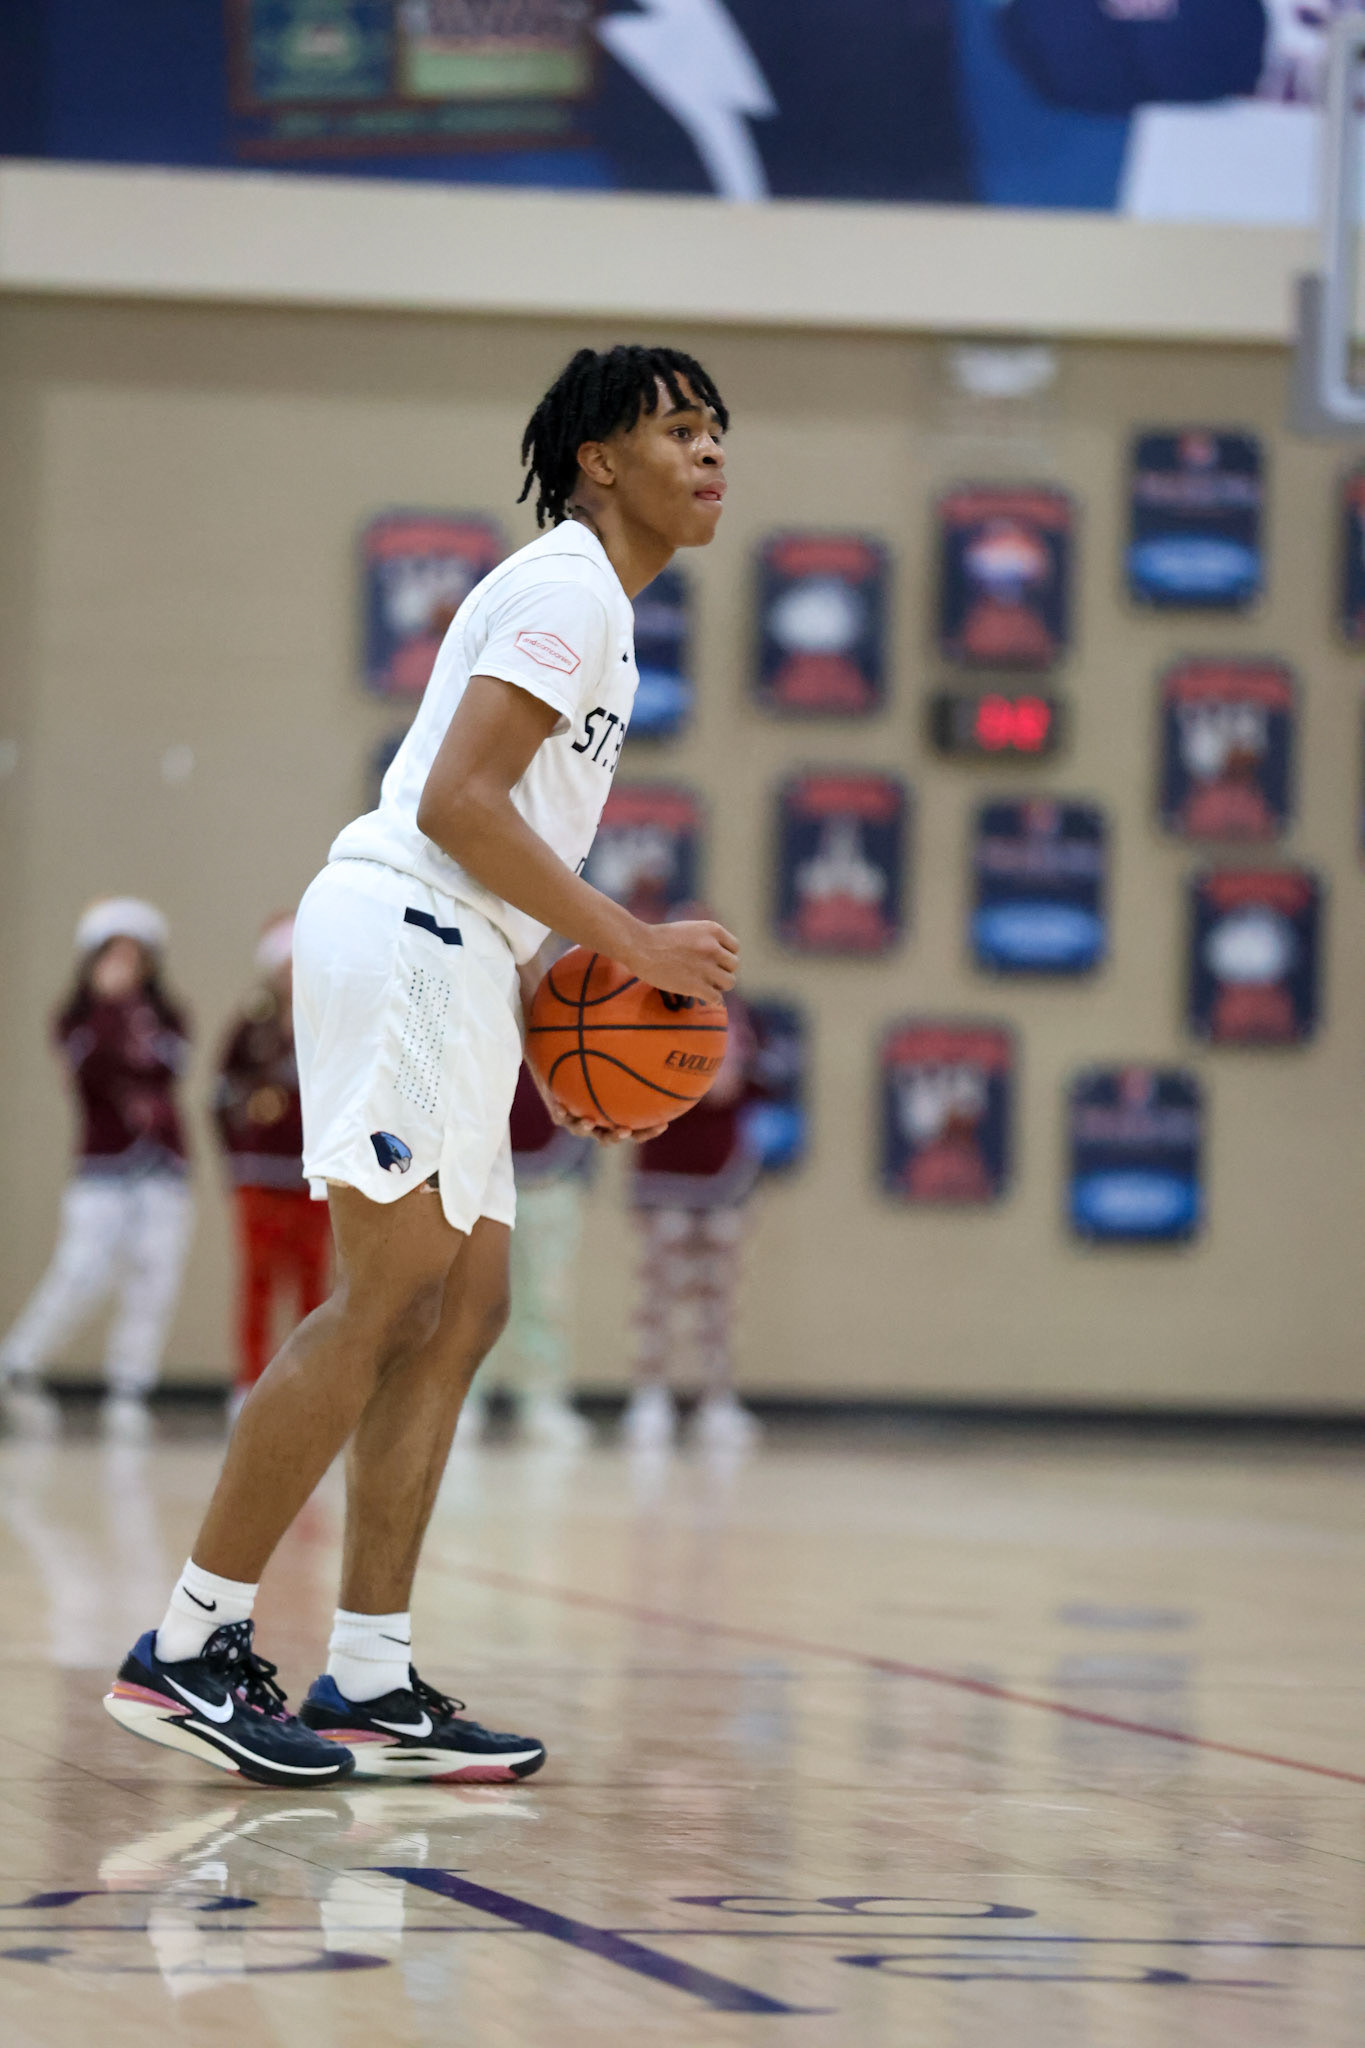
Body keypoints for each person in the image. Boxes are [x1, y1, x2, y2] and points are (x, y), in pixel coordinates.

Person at [103, 343, 739, 1787]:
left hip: (455, 954)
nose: (709, 455)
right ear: (597, 458)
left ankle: (369, 1679)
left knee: (467, 1305)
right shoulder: (569, 587)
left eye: (718, 434)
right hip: (405, 921)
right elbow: (455, 802)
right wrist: (626, 947)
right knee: (392, 1289)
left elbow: (494, 830)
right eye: (679, 429)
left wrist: (546, 1012)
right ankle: (190, 1644)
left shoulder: (606, 614)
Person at [0, 898, 194, 1435]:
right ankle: (19, 1361)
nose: (126, 967)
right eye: (115, 955)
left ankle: (131, 1384)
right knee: (82, 1269)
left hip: (163, 1165)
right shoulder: (74, 1019)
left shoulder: (170, 1016)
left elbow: (165, 1067)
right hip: (102, 1166)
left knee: (155, 1273)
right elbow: (88, 1073)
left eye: (136, 957)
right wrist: (109, 1007)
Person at [623, 974, 763, 1453]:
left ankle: (718, 1401)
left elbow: (731, 1088)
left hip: (720, 1172)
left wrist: (700, 1069)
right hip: (663, 1169)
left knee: (718, 1296)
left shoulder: (735, 1013)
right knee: (657, 1291)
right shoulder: (646, 1006)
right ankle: (649, 1398)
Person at [213, 913, 332, 1426]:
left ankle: (308, 1382)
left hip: (313, 1175)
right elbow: (219, 1097)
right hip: (260, 1175)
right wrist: (234, 1161)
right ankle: (250, 1380)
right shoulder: (250, 1025)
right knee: (258, 1282)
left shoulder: (327, 1018)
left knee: (314, 1283)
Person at [457, 1062, 593, 1449]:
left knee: (548, 1297)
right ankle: (464, 1399)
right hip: (479, 1164)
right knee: (471, 1293)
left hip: (554, 1169)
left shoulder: (567, 1006)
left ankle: (544, 1401)